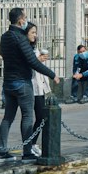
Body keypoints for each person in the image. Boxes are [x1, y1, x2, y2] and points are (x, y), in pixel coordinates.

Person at [0, 5, 58, 162]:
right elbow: (33, 62)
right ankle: (27, 152)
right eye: (24, 18)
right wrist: (52, 74)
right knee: (27, 117)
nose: (26, 20)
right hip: (22, 83)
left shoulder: (5, 37)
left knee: (7, 118)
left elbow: (2, 53)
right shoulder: (20, 38)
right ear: (20, 20)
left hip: (7, 83)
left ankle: (1, 152)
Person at [27, 23, 50, 151]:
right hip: (30, 86)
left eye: (36, 33)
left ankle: (32, 143)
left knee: (41, 116)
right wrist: (38, 60)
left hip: (39, 87)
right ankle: (29, 145)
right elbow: (27, 64)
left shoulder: (34, 48)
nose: (35, 35)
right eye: (33, 33)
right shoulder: (25, 49)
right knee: (28, 118)